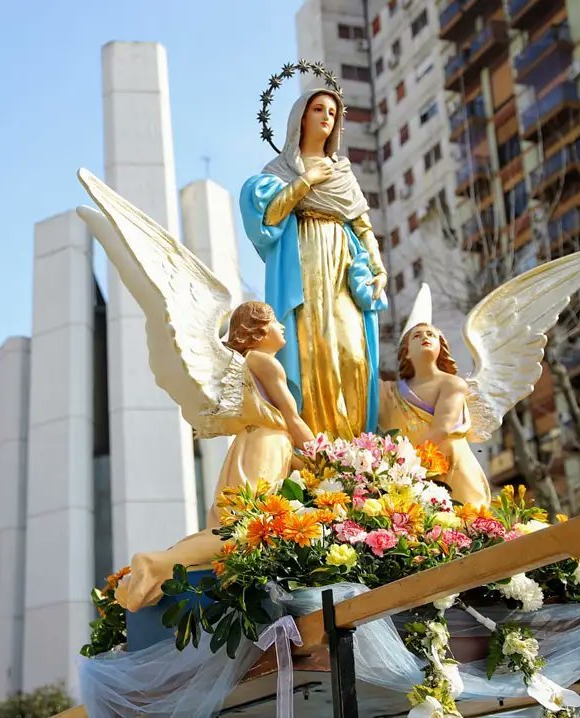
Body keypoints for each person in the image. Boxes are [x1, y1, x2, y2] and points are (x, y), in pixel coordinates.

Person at [114, 301, 314, 611]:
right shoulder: (264, 362)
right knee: (246, 529)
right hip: (263, 448)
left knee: (237, 530)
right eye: (275, 321)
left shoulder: (249, 365)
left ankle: (163, 565)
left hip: (259, 446)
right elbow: (291, 419)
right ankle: (155, 563)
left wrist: (311, 467)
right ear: (257, 331)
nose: (282, 327)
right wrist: (328, 458)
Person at [241, 88, 388, 442]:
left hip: (344, 268)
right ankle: (317, 455)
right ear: (300, 118)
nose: (327, 117)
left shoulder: (343, 175)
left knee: (354, 355)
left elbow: (362, 226)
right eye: (318, 109)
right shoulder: (278, 172)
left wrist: (379, 267)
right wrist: (305, 182)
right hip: (302, 267)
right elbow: (268, 219)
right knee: (311, 352)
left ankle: (354, 450)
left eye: (333, 113)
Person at [378, 323, 492, 506]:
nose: (425, 337)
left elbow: (442, 428)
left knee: (462, 521)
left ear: (441, 347)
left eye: (431, 335)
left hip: (451, 466)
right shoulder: (391, 392)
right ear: (406, 352)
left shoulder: (452, 384)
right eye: (416, 336)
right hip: (409, 474)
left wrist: (404, 464)